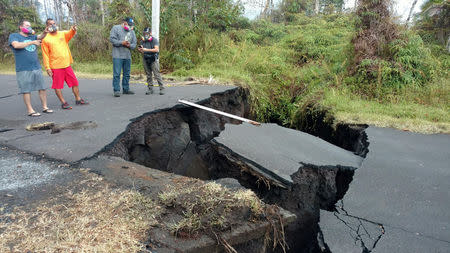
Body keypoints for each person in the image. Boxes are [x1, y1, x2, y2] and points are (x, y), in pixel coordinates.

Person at [41, 18, 88, 110]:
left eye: (54, 23)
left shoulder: (62, 33)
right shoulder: (46, 39)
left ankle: (78, 99)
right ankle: (63, 102)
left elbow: (70, 33)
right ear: (47, 26)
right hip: (55, 66)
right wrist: (48, 68)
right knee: (57, 86)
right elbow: (45, 55)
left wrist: (73, 29)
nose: (53, 25)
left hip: (66, 65)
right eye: (50, 24)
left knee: (74, 82)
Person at [9, 20, 53, 117]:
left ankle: (45, 107)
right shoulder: (14, 36)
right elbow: (16, 45)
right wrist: (32, 42)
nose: (29, 27)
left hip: (36, 66)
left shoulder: (31, 36)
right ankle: (30, 110)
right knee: (26, 90)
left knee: (42, 88)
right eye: (27, 25)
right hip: (23, 68)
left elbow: (40, 37)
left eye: (30, 26)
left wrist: (45, 32)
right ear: (21, 27)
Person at [109, 17, 137, 97]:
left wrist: (129, 45)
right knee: (117, 73)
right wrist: (122, 43)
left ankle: (126, 89)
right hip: (117, 55)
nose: (130, 26)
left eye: (131, 25)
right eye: (129, 24)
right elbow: (112, 40)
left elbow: (134, 44)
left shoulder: (132, 32)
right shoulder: (116, 28)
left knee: (127, 74)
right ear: (124, 23)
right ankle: (116, 90)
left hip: (127, 56)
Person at [138, 27, 165, 95]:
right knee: (148, 74)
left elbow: (156, 50)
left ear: (150, 33)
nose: (145, 34)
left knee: (156, 74)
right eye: (144, 33)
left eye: (147, 33)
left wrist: (145, 49)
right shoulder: (142, 41)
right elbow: (141, 50)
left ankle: (162, 88)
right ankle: (150, 89)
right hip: (145, 58)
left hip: (153, 58)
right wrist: (140, 50)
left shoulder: (154, 40)